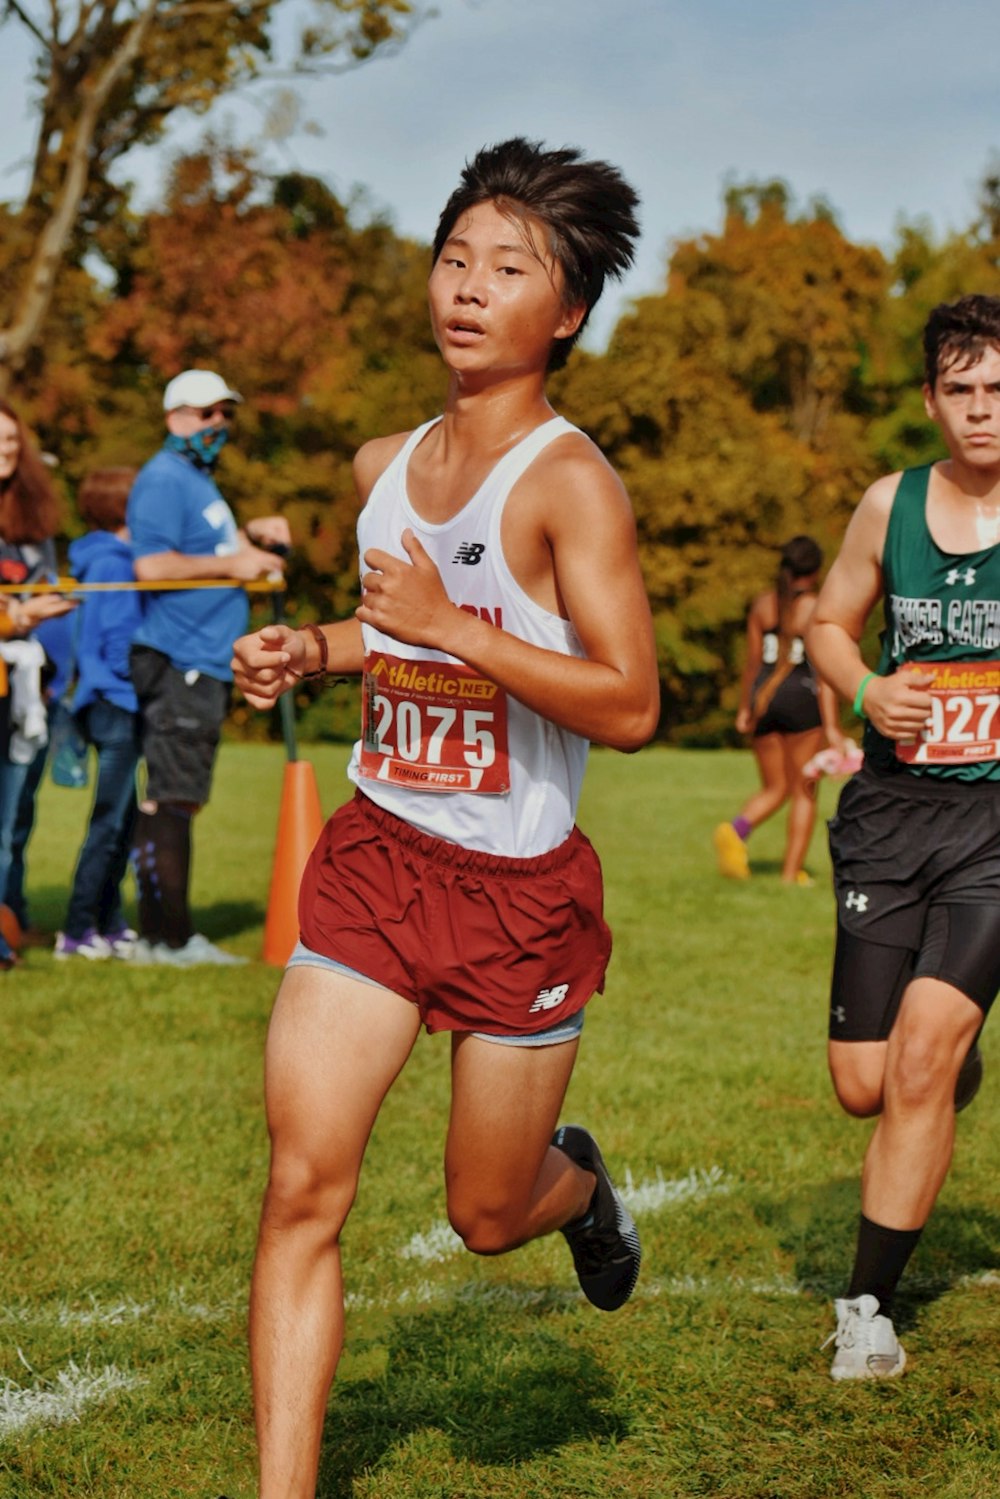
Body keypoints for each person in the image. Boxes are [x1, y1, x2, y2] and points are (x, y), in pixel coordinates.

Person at [231, 137, 659, 1498]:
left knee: (485, 1213)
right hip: (375, 860)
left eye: (510, 267)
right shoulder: (384, 458)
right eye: (457, 257)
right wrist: (316, 644)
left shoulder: (567, 482)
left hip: (515, 891)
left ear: (568, 310)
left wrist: (454, 629)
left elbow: (632, 700)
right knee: (304, 1183)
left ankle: (578, 1188)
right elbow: (390, 630)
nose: (470, 288)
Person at [806, 292, 1000, 1380]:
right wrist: (870, 689)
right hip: (890, 814)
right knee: (864, 1078)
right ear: (931, 399)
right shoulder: (889, 505)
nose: (982, 412)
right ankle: (945, 1063)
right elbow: (827, 623)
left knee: (921, 1063)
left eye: (998, 391)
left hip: (996, 825)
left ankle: (866, 1309)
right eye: (962, 390)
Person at [126, 368, 290, 966]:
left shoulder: (195, 479)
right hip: (181, 657)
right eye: (206, 413)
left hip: (201, 659)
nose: (218, 424)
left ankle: (161, 935)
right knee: (172, 799)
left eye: (225, 414)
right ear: (176, 418)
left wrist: (249, 537)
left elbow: (206, 551)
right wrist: (237, 566)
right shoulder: (166, 477)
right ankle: (167, 939)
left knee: (174, 798)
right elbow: (153, 567)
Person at [714, 536, 847, 885]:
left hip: (765, 701)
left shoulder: (762, 606)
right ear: (816, 570)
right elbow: (826, 672)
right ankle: (792, 874)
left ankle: (735, 829)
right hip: (802, 701)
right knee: (804, 788)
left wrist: (745, 706)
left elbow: (752, 663)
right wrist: (832, 727)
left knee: (775, 787)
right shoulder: (816, 607)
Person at [0, 399, 77, 962]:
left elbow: (46, 592)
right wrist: (17, 616)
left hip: (26, 687)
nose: (6, 450)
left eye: (11, 441)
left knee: (16, 815)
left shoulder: (31, 523)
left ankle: (12, 920)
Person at [54, 468, 142, 959]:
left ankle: (109, 923)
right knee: (109, 823)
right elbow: (113, 640)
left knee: (123, 821)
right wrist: (138, 677)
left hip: (114, 701)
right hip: (115, 702)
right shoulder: (113, 564)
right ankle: (76, 929)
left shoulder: (106, 560)